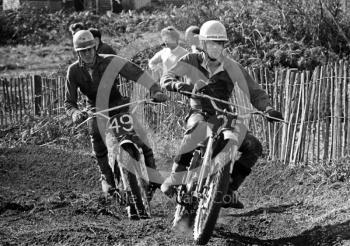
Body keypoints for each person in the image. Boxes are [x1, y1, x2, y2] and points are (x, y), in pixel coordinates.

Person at [160, 20, 283, 209]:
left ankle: (228, 188)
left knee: (254, 146)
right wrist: (176, 85)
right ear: (203, 43)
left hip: (224, 117)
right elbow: (167, 77)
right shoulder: (191, 60)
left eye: (220, 43)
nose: (216, 47)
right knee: (195, 129)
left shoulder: (233, 67)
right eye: (211, 43)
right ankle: (175, 176)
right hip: (200, 111)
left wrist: (267, 109)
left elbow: (255, 92)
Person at [64, 30, 167, 200]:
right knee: (97, 139)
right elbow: (69, 102)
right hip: (96, 110)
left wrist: (155, 89)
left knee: (140, 137)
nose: (88, 53)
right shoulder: (73, 71)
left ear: (95, 47)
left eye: (90, 49)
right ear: (78, 52)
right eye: (83, 51)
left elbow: (137, 73)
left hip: (118, 105)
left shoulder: (110, 61)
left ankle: (154, 176)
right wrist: (75, 113)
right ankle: (108, 179)